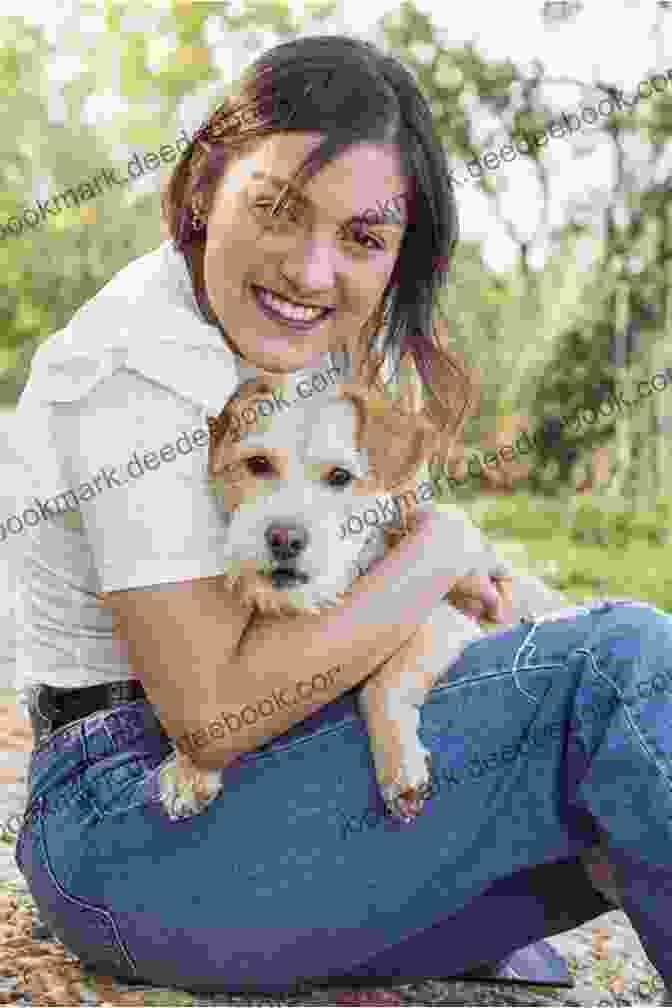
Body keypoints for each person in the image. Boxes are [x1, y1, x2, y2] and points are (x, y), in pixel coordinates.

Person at [10, 33, 672, 1003]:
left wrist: (435, 563)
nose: (313, 272)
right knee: (615, 674)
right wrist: (439, 549)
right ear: (203, 186)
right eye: (279, 210)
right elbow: (212, 721)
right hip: (131, 833)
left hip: (257, 798)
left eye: (362, 238)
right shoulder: (136, 368)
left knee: (623, 726)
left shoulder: (285, 345)